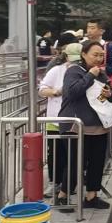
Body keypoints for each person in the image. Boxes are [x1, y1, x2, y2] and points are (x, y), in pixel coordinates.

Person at [57, 40, 112, 209]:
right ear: (83, 54)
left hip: (98, 125)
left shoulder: (101, 74)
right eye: (95, 55)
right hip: (77, 126)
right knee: (76, 162)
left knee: (97, 162)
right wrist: (90, 75)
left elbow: (110, 97)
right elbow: (72, 92)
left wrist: (109, 94)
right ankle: (63, 195)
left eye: (101, 55)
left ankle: (91, 196)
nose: (99, 58)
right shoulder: (74, 71)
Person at [39, 43, 81, 200]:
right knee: (55, 154)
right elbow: (42, 90)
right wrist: (57, 91)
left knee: (72, 155)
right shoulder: (56, 71)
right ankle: (55, 183)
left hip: (75, 122)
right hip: (56, 119)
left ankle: (68, 185)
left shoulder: (84, 72)